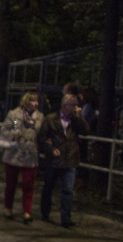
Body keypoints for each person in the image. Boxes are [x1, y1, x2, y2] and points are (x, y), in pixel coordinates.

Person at [38, 94, 89, 228]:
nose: (75, 108)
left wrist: (80, 117)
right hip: (54, 159)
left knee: (68, 190)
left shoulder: (75, 121)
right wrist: (50, 149)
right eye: (73, 105)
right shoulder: (50, 119)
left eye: (76, 106)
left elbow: (86, 130)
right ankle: (45, 212)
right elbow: (42, 137)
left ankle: (65, 218)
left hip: (70, 158)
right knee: (48, 187)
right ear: (65, 105)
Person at [0, 91, 43, 223]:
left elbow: (40, 133)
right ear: (25, 102)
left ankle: (27, 212)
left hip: (30, 153)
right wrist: (14, 132)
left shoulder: (39, 117)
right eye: (32, 101)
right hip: (15, 152)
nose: (35, 104)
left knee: (28, 185)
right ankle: (8, 208)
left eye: (36, 101)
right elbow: (4, 130)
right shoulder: (14, 115)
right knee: (11, 184)